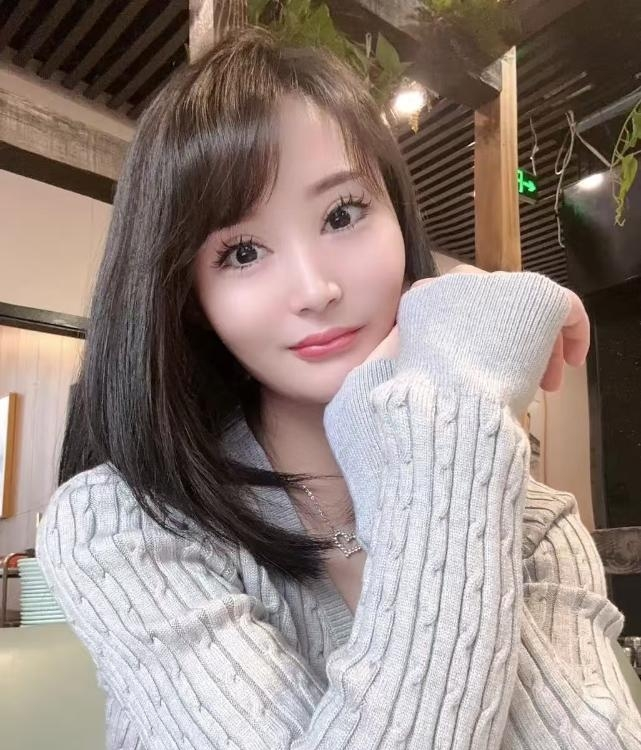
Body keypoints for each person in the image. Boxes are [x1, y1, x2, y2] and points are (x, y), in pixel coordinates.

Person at [36, 26, 641, 750]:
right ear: (189, 297)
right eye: (243, 252)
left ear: (398, 220)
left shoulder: (534, 521)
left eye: (342, 214)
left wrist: (448, 432)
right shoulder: (124, 522)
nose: (314, 288)